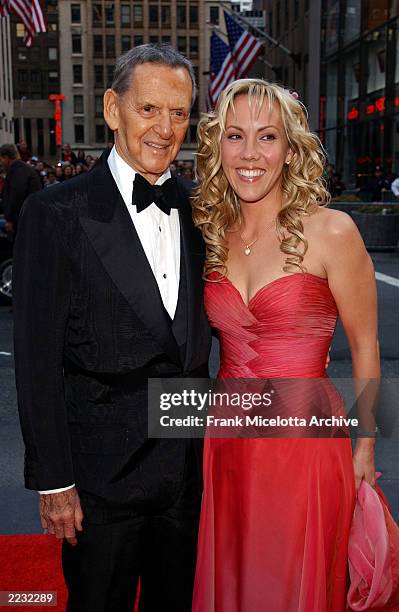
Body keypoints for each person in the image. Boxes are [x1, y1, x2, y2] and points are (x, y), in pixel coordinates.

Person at [13, 44, 211, 612]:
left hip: (184, 474)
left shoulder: (201, 211)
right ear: (111, 109)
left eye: (179, 113)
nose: (165, 128)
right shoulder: (56, 212)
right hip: (100, 483)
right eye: (149, 109)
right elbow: (35, 359)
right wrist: (53, 481)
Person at [192, 79, 378, 611]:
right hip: (226, 438)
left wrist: (364, 447)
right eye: (234, 135)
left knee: (291, 582)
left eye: (267, 136)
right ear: (216, 147)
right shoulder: (209, 231)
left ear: (290, 149)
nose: (250, 153)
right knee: (234, 579)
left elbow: (366, 347)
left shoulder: (332, 232)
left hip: (304, 443)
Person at [0, 143, 42, 237]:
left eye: (1, 159)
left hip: (23, 222)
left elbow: (17, 195)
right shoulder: (19, 169)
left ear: (7, 157)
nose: (0, 163)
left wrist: (10, 220)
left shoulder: (18, 171)